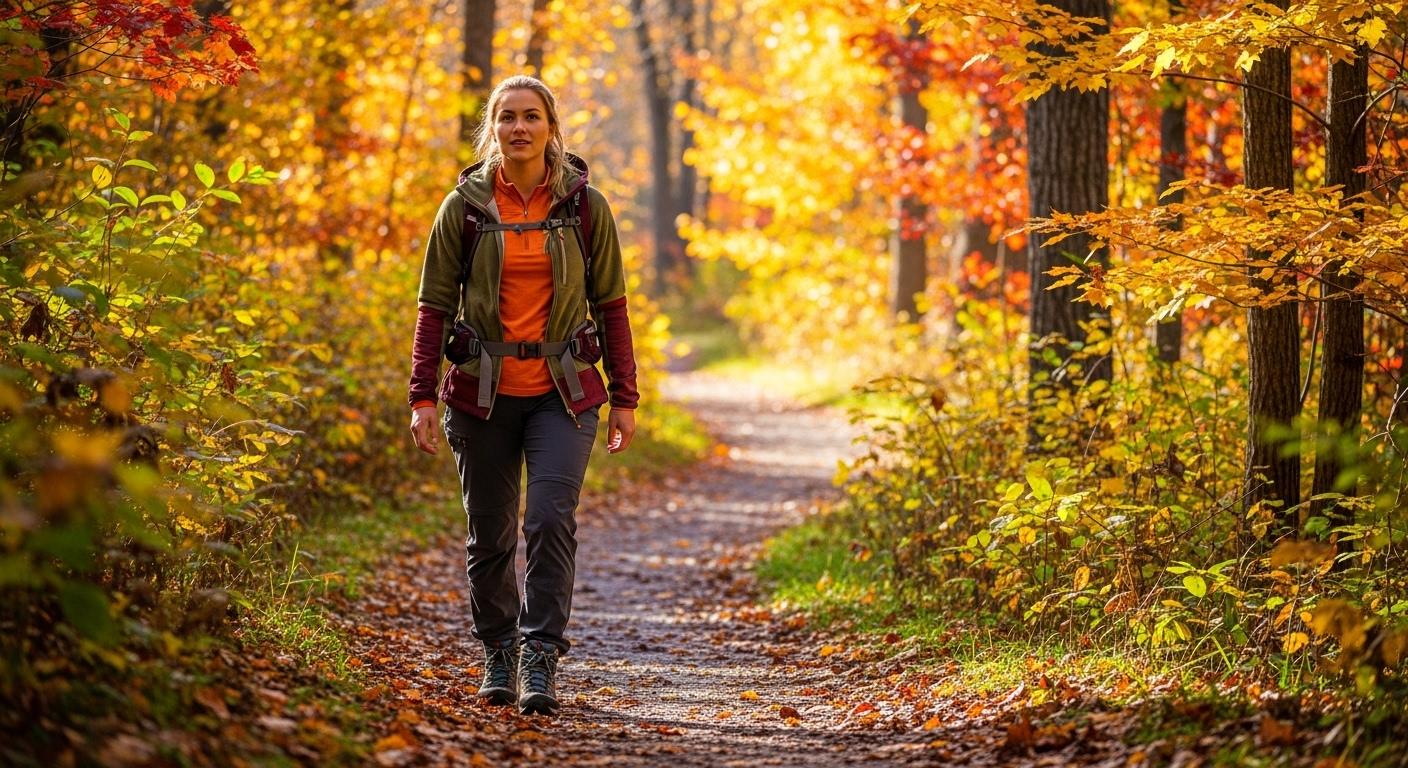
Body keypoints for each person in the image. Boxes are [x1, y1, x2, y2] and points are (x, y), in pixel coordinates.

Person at [407, 75, 638, 716]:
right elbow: (433, 308)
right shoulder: (465, 208)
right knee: (490, 534)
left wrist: (626, 395)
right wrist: (421, 396)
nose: (519, 128)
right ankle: (499, 650)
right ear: (493, 127)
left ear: (550, 126)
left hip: (563, 395)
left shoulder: (585, 207)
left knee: (549, 520)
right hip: (481, 395)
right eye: (507, 117)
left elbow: (612, 305)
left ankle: (540, 654)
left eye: (531, 117)